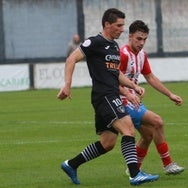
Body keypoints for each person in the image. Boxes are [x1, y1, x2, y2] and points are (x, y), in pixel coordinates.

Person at [57, 9, 159, 186]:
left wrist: (133, 87)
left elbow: (115, 74)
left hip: (111, 94)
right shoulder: (95, 42)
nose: (122, 29)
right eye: (119, 25)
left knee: (108, 143)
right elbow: (71, 59)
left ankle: (71, 164)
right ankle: (135, 174)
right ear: (107, 24)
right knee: (128, 129)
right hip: (104, 96)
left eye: (123, 25)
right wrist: (67, 84)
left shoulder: (113, 46)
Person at [119, 20, 185, 175]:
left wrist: (170, 94)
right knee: (157, 121)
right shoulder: (123, 55)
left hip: (134, 100)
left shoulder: (142, 55)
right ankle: (168, 164)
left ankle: (134, 169)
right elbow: (114, 79)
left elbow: (150, 77)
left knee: (148, 135)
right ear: (130, 37)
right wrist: (129, 94)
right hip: (122, 101)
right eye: (138, 39)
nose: (142, 43)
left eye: (144, 39)